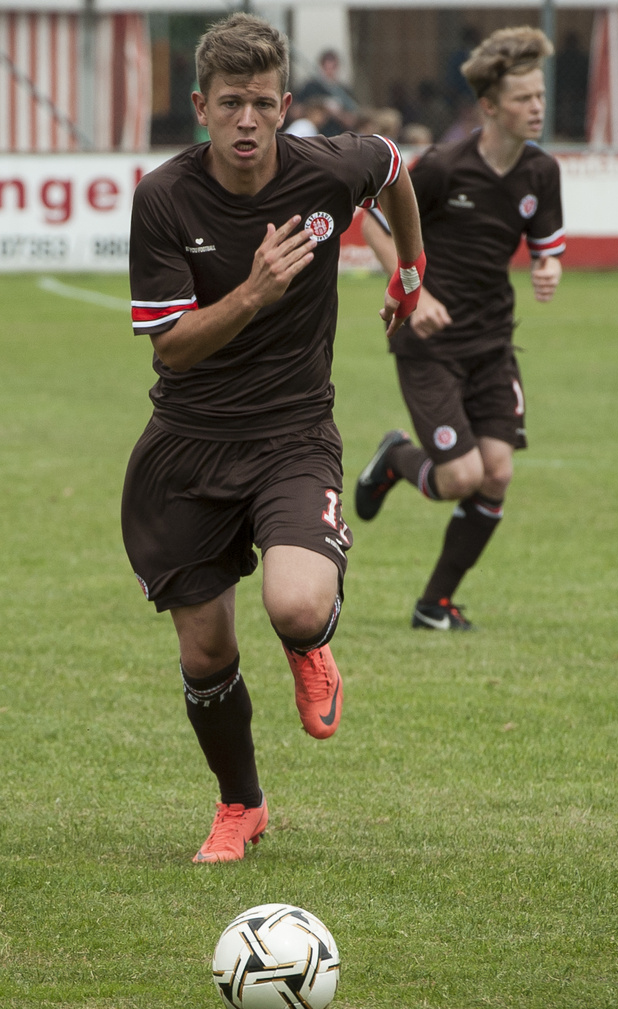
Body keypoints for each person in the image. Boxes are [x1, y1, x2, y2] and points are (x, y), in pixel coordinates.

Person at [124, 13, 424, 863]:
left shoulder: (328, 166)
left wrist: (409, 270)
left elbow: (397, 171)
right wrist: (253, 294)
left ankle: (309, 642)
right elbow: (172, 345)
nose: (247, 120)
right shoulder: (165, 197)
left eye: (262, 103)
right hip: (187, 444)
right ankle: (240, 805)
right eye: (230, 104)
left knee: (295, 601)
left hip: (292, 433)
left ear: (286, 103)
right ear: (201, 107)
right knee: (206, 647)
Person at [356, 26, 564, 632]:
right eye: (525, 98)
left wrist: (549, 268)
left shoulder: (541, 173)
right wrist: (412, 294)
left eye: (541, 96)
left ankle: (433, 606)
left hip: (493, 344)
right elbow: (372, 221)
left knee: (497, 472)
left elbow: (546, 247)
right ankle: (396, 459)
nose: (537, 108)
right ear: (491, 107)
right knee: (460, 477)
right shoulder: (445, 167)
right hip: (429, 344)